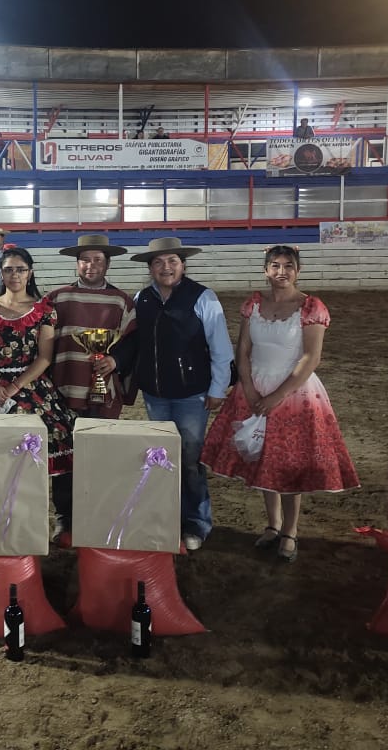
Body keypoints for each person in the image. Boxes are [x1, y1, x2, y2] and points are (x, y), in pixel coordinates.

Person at [201, 246, 358, 563]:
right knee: (264, 458)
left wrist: (278, 395)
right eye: (275, 265)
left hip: (293, 393)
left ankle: (290, 530)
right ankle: (272, 525)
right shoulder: (253, 305)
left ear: (297, 271)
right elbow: (243, 350)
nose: (281, 271)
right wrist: (248, 386)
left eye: (288, 266)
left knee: (288, 463)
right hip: (254, 387)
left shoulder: (311, 307)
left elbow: (310, 358)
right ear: (266, 270)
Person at [128, 236, 235, 553]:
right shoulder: (142, 299)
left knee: (189, 459)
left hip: (192, 395)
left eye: (172, 261)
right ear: (150, 268)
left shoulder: (203, 297)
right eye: (159, 262)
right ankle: (165, 520)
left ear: (183, 265)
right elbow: (136, 343)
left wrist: (217, 388)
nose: (166, 267)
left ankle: (196, 523)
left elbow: (220, 347)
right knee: (161, 456)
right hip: (156, 395)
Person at [46, 234, 137, 546]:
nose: (91, 265)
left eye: (98, 259)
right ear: (77, 263)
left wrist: (115, 360)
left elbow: (132, 343)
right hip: (62, 390)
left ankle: (97, 516)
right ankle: (64, 518)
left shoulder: (122, 302)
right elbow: (42, 341)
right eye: (86, 259)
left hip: (102, 391)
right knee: (63, 456)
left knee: (99, 455)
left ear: (107, 264)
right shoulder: (57, 298)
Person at [0, 247, 76, 473]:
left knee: (28, 460)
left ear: (30, 273)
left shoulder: (44, 310)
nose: (15, 275)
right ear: (0, 274)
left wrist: (14, 386)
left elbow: (44, 357)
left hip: (30, 384)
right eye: (9, 270)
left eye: (21, 270)